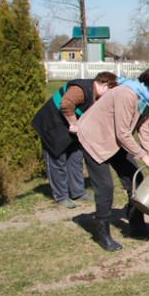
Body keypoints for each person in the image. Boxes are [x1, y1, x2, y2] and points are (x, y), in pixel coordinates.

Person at [76, 63, 149, 251]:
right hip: (94, 138)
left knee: (136, 181)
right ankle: (103, 235)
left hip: (114, 141)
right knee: (105, 187)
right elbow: (123, 133)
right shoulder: (127, 94)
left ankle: (138, 227)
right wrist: (143, 157)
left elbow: (145, 133)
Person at [31, 72, 118, 209]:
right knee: (57, 159)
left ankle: (78, 192)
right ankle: (61, 196)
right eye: (110, 93)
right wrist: (74, 124)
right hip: (51, 125)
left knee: (75, 157)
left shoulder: (95, 94)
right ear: (104, 85)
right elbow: (66, 104)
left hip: (68, 127)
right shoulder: (81, 89)